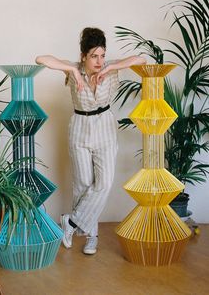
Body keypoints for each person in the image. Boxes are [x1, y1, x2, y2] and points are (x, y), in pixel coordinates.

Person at [35, 27, 146, 255]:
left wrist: (113, 66)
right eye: (94, 56)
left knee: (103, 183)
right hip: (79, 128)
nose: (99, 61)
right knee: (84, 184)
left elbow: (141, 58)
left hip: (104, 127)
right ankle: (91, 237)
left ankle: (71, 222)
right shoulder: (73, 69)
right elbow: (41, 59)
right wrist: (72, 72)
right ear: (83, 55)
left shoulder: (110, 67)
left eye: (102, 55)